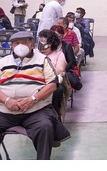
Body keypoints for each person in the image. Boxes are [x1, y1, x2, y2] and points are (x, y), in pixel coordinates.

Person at [0, 31, 70, 160]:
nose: (20, 46)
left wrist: (32, 99)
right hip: (5, 110)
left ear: (32, 44)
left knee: (45, 127)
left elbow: (52, 84)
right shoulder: (3, 62)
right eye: (16, 43)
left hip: (35, 110)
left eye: (25, 42)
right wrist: (7, 100)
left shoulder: (42, 60)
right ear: (11, 45)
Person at [37, 29, 67, 117]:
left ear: (51, 44)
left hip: (49, 81)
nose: (41, 44)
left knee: (58, 89)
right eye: (40, 41)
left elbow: (60, 69)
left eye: (44, 42)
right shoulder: (35, 52)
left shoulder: (59, 55)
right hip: (34, 80)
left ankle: (54, 115)